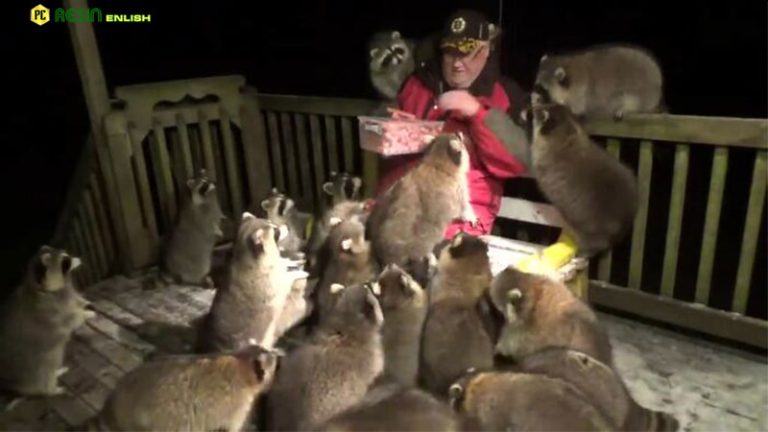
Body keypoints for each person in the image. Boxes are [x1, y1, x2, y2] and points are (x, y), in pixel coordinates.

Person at [374, 9, 530, 238]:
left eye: (466, 54)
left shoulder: (504, 94)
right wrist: (397, 132)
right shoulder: (416, 85)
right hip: (401, 209)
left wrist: (476, 112)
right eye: (450, 54)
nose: (457, 64)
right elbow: (392, 156)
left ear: (485, 50)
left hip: (456, 220)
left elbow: (514, 162)